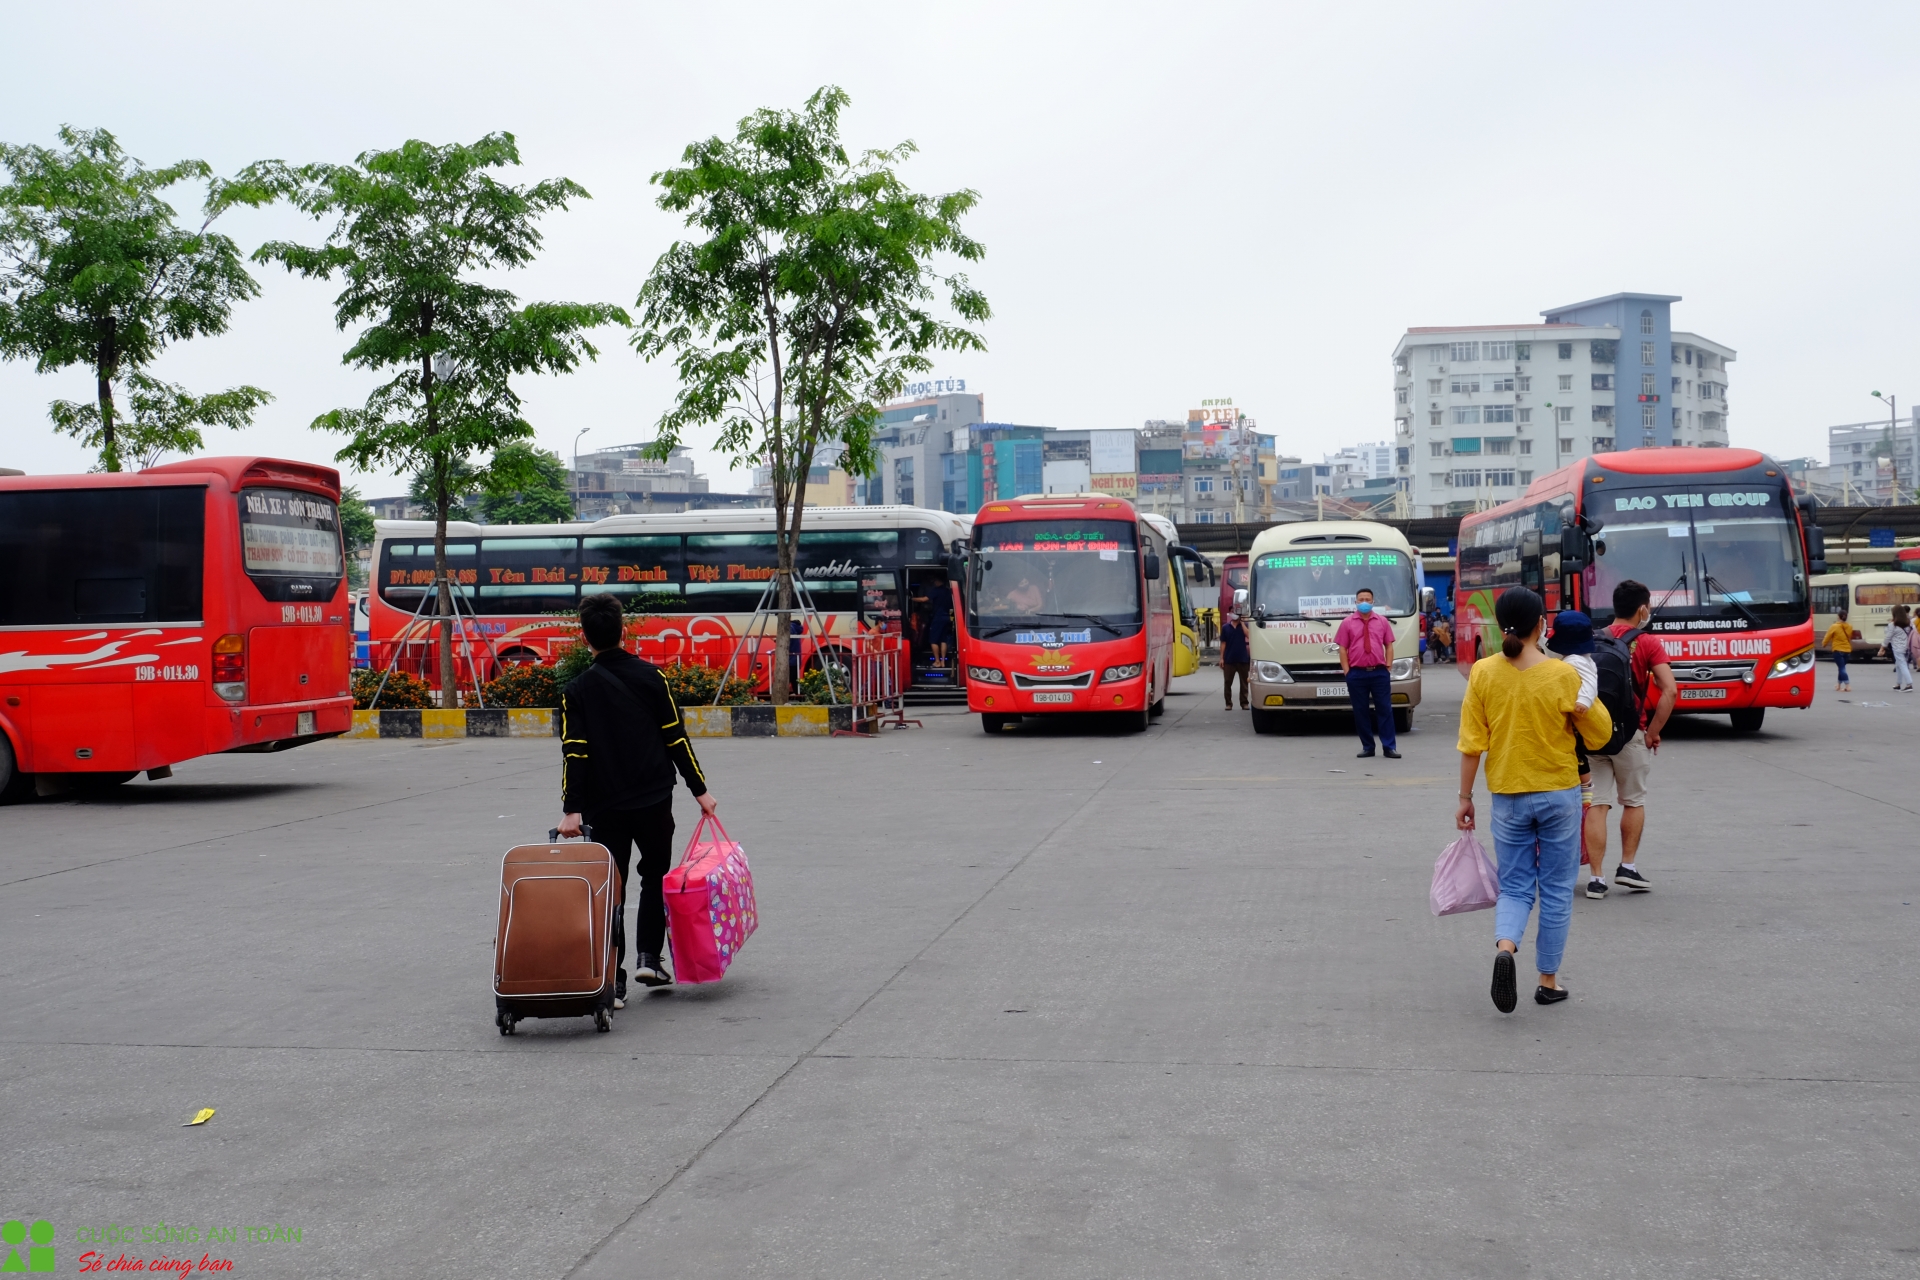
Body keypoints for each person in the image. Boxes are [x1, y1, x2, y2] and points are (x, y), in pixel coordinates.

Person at [1456, 587, 1613, 1013]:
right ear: (1541, 625)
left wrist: (1465, 797)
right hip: (1558, 794)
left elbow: (1472, 744)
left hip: (1507, 795)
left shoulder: (1484, 673)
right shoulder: (1563, 674)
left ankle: (1506, 948)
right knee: (1557, 889)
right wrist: (1584, 708)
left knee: (1516, 885)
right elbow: (1601, 733)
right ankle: (1548, 981)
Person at [559, 592, 719, 1005]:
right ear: (623, 631)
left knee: (612, 888)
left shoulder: (576, 689)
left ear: (584, 637)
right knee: (654, 876)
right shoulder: (653, 678)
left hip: (603, 806)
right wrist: (699, 790)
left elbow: (574, 750)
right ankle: (650, 955)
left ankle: (614, 981)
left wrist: (571, 810)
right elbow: (675, 737)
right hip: (652, 799)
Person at [1585, 580, 1677, 896]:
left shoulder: (1593, 639)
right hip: (1630, 735)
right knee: (1633, 801)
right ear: (1641, 609)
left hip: (1592, 735)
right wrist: (1652, 733)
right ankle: (1627, 867)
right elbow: (1670, 690)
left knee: (1597, 804)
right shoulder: (1648, 643)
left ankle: (1596, 878)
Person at [1544, 611, 1605, 897]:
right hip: (1579, 736)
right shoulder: (1579, 660)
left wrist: (1581, 702)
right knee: (1584, 783)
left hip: (1575, 732)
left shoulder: (1574, 663)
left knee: (1580, 786)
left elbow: (1590, 687)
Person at [1334, 587, 1398, 758]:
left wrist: (1388, 665)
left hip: (1379, 672)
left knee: (1385, 709)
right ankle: (1368, 746)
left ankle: (1389, 747)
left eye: (1367, 599)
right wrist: (1347, 671)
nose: (1364, 602)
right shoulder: (1347, 623)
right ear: (1355, 602)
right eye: (1361, 599)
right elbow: (1342, 648)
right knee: (1360, 711)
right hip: (1357, 674)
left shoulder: (1382, 621)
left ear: (1373, 602)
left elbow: (1389, 645)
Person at [1878, 603, 1916, 691]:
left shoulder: (1893, 625)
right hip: (1907, 647)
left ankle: (1909, 684)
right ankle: (1898, 683)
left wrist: (1882, 647)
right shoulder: (1909, 623)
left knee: (1902, 665)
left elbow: (1888, 637)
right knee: (1899, 665)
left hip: (1898, 648)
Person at [1219, 606, 1251, 710]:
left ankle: (1244, 703)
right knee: (1228, 682)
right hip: (1229, 659)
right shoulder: (1225, 627)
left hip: (1243, 659)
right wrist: (1221, 658)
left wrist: (1242, 622)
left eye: (1235, 612)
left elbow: (1249, 635)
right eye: (1232, 611)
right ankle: (1228, 703)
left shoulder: (1244, 625)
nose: (1234, 613)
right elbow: (1223, 643)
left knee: (1244, 683)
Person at [1823, 607, 1853, 693]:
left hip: (1838, 650)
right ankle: (1839, 685)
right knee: (1841, 667)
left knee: (1842, 668)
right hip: (1847, 650)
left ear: (1838, 617)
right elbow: (1849, 637)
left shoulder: (1834, 626)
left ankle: (1847, 685)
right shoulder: (1849, 626)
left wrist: (1824, 644)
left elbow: (1827, 636)